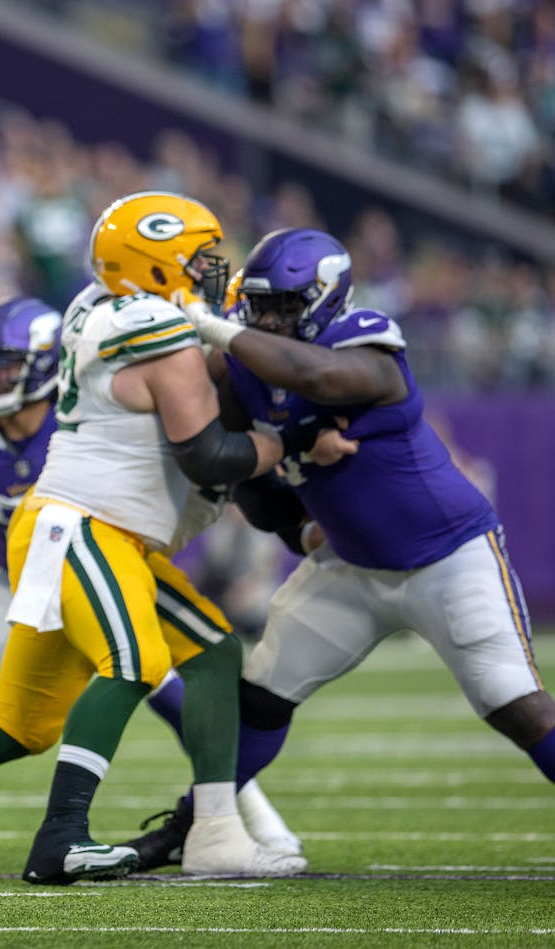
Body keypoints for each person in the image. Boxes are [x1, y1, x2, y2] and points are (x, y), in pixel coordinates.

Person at [0, 191, 315, 884]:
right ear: (158, 263)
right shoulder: (153, 324)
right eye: (195, 258)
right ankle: (63, 835)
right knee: (131, 663)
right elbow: (206, 454)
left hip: (87, 529)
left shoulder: (98, 307)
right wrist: (281, 438)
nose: (207, 270)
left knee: (40, 712)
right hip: (91, 525)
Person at [144, 226, 555, 858]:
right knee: (257, 700)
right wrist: (293, 527)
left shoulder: (365, 344)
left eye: (286, 304)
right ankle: (190, 827)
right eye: (261, 305)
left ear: (328, 298)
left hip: (449, 555)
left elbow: (319, 375)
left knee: (516, 706)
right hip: (351, 566)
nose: (271, 319)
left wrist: (218, 328)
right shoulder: (241, 368)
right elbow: (238, 472)